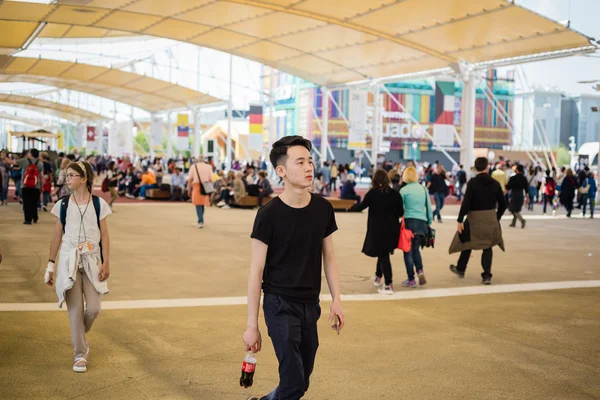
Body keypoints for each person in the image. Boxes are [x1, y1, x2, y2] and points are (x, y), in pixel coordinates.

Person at [243, 136, 344, 400]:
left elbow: (329, 258)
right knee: (294, 383)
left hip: (311, 306)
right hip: (279, 304)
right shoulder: (268, 215)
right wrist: (251, 325)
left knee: (301, 381)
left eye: (309, 161)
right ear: (281, 171)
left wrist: (337, 300)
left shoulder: (323, 208)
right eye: (300, 162)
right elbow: (255, 272)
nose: (309, 167)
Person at [45, 161, 111, 373]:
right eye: (67, 175)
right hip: (68, 262)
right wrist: (50, 265)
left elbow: (105, 235)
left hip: (91, 261)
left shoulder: (98, 204)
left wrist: (107, 261)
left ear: (84, 179)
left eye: (72, 175)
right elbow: (56, 236)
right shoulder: (62, 205)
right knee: (75, 311)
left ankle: (79, 332)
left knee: (93, 308)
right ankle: (80, 355)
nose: (67, 179)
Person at [449, 157, 506, 285]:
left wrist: (460, 220)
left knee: (467, 242)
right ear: (487, 167)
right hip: (490, 218)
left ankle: (460, 269)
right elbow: (503, 204)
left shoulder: (472, 183)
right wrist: (496, 217)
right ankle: (486, 276)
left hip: (474, 219)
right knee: (487, 246)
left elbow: (466, 203)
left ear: (475, 168)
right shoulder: (495, 183)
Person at [351, 170, 404, 294]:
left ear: (374, 180)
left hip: (377, 230)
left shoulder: (372, 194)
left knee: (383, 255)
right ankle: (378, 276)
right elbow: (401, 212)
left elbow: (361, 207)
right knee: (383, 253)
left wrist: (351, 207)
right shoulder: (395, 194)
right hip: (392, 230)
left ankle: (389, 284)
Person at [399, 166, 433, 288]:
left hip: (409, 222)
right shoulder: (424, 189)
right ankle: (420, 271)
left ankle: (411, 279)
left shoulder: (403, 190)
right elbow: (429, 208)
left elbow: (400, 209)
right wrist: (429, 221)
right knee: (416, 249)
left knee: (407, 251)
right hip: (422, 223)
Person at [3, 149, 43, 224]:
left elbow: (11, 162)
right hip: (36, 186)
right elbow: (41, 176)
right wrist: (42, 186)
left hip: (25, 185)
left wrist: (4, 157)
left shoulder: (24, 161)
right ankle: (35, 217)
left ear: (31, 154)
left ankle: (27, 220)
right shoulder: (40, 163)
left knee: (27, 203)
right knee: (34, 202)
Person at [187, 157, 213, 229]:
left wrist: (188, 188)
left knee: (197, 204)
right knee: (202, 204)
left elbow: (190, 179)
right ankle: (200, 219)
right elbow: (211, 178)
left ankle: (200, 221)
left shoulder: (193, 167)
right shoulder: (208, 167)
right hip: (205, 186)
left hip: (196, 186)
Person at [506, 164, 528, 229]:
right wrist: (527, 197)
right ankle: (513, 223)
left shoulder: (513, 178)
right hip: (521, 194)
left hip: (514, 194)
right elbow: (526, 188)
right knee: (515, 209)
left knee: (513, 209)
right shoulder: (524, 178)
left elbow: (508, 187)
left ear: (517, 169)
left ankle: (522, 220)